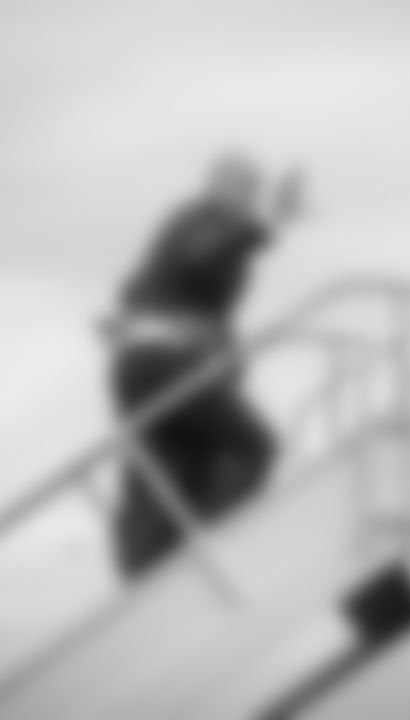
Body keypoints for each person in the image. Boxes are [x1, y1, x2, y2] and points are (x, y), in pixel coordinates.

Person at [103, 151, 306, 578]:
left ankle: (150, 574)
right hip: (163, 362)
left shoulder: (190, 227)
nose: (249, 198)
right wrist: (268, 221)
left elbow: (138, 287)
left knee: (176, 473)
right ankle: (207, 555)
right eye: (244, 189)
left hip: (145, 362)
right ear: (218, 186)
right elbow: (204, 257)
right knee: (253, 446)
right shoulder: (201, 218)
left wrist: (136, 318)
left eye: (254, 191)